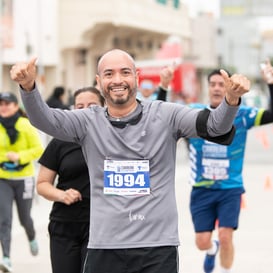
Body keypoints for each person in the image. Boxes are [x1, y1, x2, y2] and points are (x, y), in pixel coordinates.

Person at [10, 49, 250, 273]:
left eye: (125, 72)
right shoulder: (86, 122)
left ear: (136, 76)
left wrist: (230, 101)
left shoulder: (166, 115)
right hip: (105, 246)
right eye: (109, 74)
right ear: (99, 80)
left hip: (157, 246)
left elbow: (214, 126)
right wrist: (28, 87)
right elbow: (45, 120)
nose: (117, 80)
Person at [187, 62, 273, 273]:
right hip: (201, 188)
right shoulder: (194, 112)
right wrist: (164, 87)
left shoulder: (243, 114)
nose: (217, 88)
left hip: (230, 188)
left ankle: (225, 270)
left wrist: (270, 83)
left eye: (222, 84)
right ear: (207, 88)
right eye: (213, 84)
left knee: (226, 236)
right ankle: (210, 250)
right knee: (202, 241)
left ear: (230, 87)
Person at [36, 87, 105, 273]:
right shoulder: (60, 140)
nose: (84, 110)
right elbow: (42, 184)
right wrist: (61, 194)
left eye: (92, 105)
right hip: (65, 225)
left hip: (102, 226)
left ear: (104, 107)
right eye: (79, 106)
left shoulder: (113, 140)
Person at [0, 92, 44, 273]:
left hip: (24, 178)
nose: (3, 107)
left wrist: (19, 157)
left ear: (16, 106)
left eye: (7, 104)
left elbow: (39, 149)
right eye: (1, 104)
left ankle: (31, 236)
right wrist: (5, 157)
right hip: (3, 179)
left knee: (24, 218)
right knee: (4, 219)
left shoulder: (25, 125)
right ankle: (7, 258)